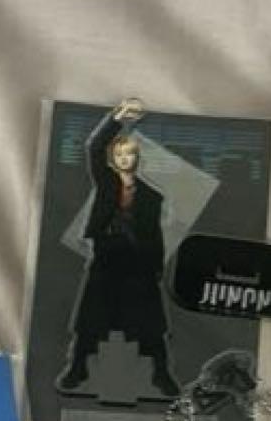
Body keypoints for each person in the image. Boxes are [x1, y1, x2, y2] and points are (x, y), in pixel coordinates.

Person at [56, 99, 179, 397]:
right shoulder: (107, 183)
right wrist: (116, 118)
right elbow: (93, 147)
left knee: (151, 325)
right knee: (90, 320)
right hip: (107, 258)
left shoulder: (151, 196)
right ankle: (77, 368)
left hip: (139, 264)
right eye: (120, 154)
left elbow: (154, 234)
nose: (125, 158)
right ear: (114, 158)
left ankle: (162, 373)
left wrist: (156, 268)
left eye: (129, 154)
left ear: (137, 158)